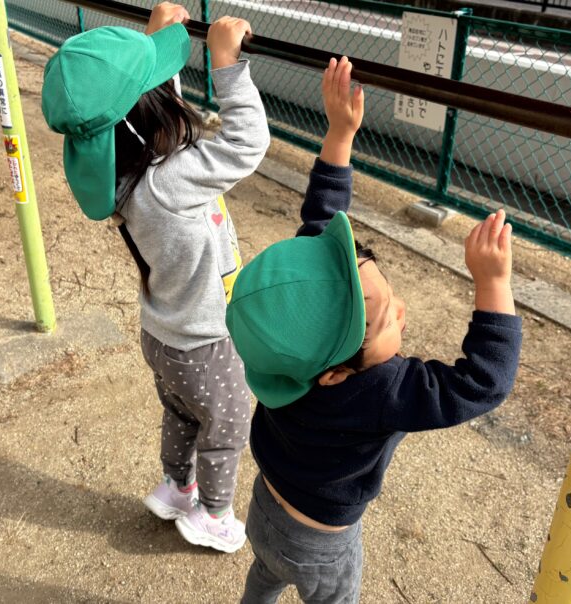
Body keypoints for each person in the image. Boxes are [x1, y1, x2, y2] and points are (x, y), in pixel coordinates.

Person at [225, 56, 523, 602]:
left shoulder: (284, 343)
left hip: (266, 506)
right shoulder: (380, 389)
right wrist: (493, 283)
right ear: (336, 375)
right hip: (321, 543)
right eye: (385, 320)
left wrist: (340, 134)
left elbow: (320, 227)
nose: (402, 310)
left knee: (264, 573)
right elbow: (482, 383)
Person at [41, 2, 270, 553]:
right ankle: (213, 514)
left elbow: (141, 116)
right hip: (206, 341)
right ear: (146, 115)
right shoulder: (173, 180)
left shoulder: (124, 176)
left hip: (163, 337)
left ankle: (176, 486)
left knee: (182, 414)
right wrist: (226, 67)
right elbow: (247, 143)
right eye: (158, 86)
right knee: (227, 425)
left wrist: (153, 39)